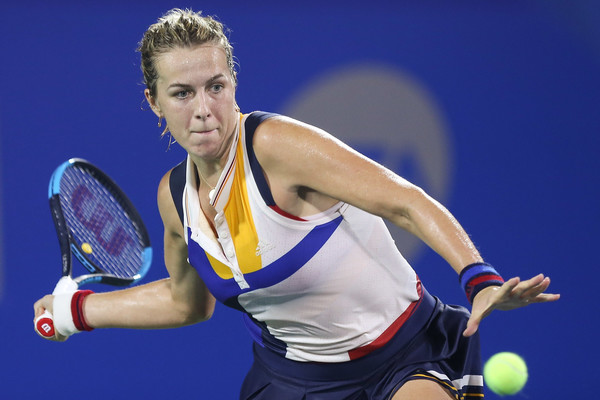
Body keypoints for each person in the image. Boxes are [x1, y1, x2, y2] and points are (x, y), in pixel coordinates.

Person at [33, 8, 559, 399]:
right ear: (153, 100)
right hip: (291, 380)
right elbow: (187, 302)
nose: (204, 110)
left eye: (216, 86)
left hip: (403, 357)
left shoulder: (277, 148)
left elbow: (405, 202)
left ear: (233, 83)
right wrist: (75, 311)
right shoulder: (174, 198)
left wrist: (479, 278)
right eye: (181, 93)